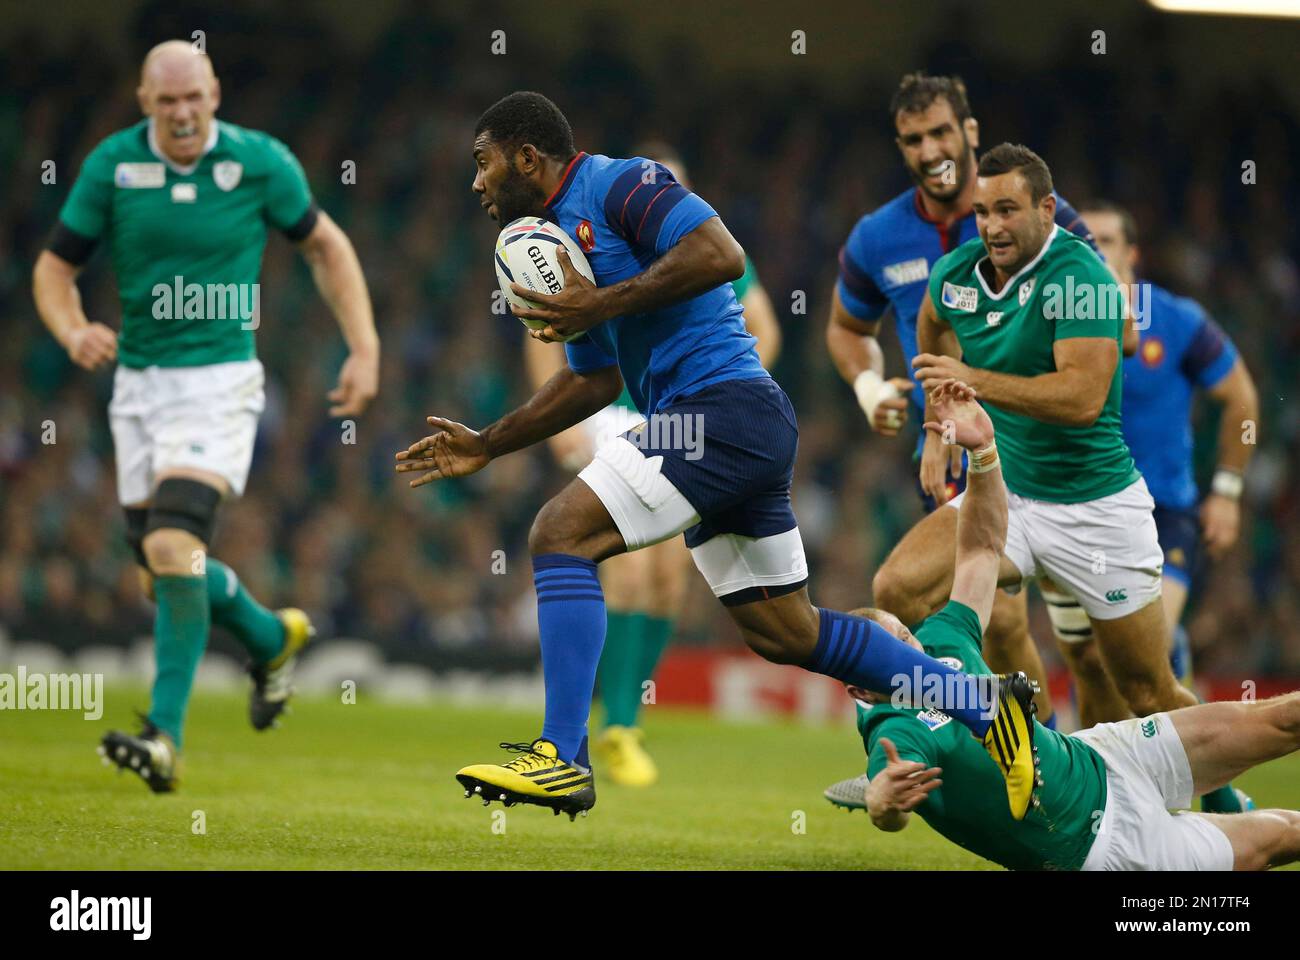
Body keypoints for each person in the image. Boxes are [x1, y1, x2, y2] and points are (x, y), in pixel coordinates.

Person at [396, 91, 1038, 821]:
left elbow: (720, 253)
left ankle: (562, 754)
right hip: (726, 428)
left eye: (483, 164)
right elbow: (593, 378)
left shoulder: (620, 182)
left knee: (558, 533)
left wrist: (602, 305)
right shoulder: (561, 248)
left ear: (527, 157)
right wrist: (489, 442)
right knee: (785, 632)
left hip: (719, 413)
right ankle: (986, 709)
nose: (477, 182)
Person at [32, 41, 379, 792]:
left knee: (170, 542)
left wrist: (364, 346)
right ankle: (270, 637)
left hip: (218, 382)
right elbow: (54, 268)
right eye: (167, 102)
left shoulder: (261, 163)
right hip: (138, 386)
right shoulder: (111, 167)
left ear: (215, 93)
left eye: (194, 98)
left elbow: (326, 246)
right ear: (144, 101)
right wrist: (71, 329)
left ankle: (164, 736)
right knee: (164, 574)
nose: (183, 113)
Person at [854, 379, 1299, 871]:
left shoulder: (939, 643)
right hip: (1104, 847)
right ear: (862, 689)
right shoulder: (893, 725)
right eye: (893, 649)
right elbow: (885, 801)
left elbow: (980, 551)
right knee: (1285, 836)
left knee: (1282, 718)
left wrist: (984, 453)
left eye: (904, 633)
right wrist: (883, 801)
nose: (910, 647)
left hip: (1105, 755)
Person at [522, 142, 781, 787]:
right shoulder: (594, 247)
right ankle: (602, 728)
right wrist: (568, 425)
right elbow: (545, 329)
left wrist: (734, 382)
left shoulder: (700, 252)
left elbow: (765, 327)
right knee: (631, 574)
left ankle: (623, 724)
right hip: (612, 416)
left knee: (668, 581)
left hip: (686, 416)